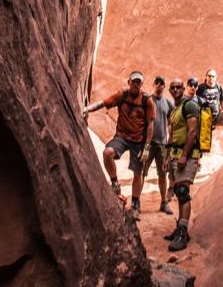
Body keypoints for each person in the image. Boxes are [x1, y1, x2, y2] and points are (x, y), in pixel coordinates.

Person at [82, 71, 155, 219]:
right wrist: (86, 109)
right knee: (107, 152)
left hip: (138, 141)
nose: (136, 84)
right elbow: (103, 103)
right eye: (134, 81)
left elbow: (151, 124)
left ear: (142, 84)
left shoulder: (147, 100)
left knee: (137, 172)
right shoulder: (122, 95)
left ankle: (135, 205)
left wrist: (147, 147)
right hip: (121, 137)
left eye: (139, 82)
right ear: (129, 82)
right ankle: (115, 183)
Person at [163, 77, 202, 251]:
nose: (177, 90)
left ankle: (182, 233)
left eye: (179, 87)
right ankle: (181, 226)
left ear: (183, 88)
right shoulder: (174, 110)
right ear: (170, 91)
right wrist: (167, 158)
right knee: (179, 192)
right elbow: (172, 136)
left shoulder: (190, 105)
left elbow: (193, 131)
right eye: (173, 87)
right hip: (175, 154)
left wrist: (185, 155)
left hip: (188, 155)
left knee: (182, 191)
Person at [147, 75, 175, 214]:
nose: (159, 85)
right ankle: (136, 203)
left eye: (162, 83)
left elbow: (174, 116)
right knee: (141, 172)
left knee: (162, 174)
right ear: (153, 84)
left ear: (164, 86)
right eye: (157, 82)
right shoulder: (148, 100)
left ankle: (164, 203)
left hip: (163, 144)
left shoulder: (167, 102)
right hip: (149, 143)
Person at [196, 69, 223, 151]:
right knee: (203, 145)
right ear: (206, 77)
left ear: (216, 78)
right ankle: (197, 160)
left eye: (213, 76)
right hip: (205, 119)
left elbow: (222, 101)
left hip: (217, 116)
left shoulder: (219, 87)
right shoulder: (201, 88)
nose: (211, 78)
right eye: (209, 76)